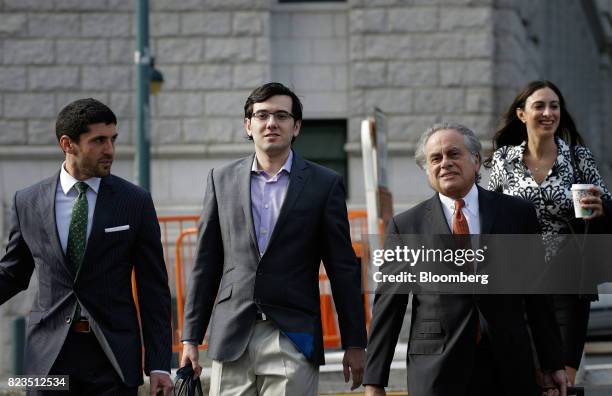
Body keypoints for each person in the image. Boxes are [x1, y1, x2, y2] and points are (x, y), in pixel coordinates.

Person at [180, 82, 367, 396]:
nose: (271, 123)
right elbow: (205, 264)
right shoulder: (221, 179)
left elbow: (342, 269)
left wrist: (354, 342)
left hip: (293, 336)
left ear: (296, 127)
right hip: (232, 335)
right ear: (248, 125)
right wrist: (190, 338)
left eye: (281, 116)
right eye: (262, 115)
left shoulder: (324, 184)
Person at [363, 123, 567, 396]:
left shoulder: (517, 214)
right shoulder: (406, 226)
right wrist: (374, 381)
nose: (445, 163)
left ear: (476, 161)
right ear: (428, 170)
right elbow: (389, 306)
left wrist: (552, 362)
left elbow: (538, 297)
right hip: (436, 369)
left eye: (453, 154)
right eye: (435, 158)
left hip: (509, 365)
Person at [0, 98, 173, 395]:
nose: (110, 150)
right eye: (99, 141)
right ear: (68, 144)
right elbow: (13, 273)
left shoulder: (134, 201)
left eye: (113, 139)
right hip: (47, 360)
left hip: (113, 358)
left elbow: (153, 289)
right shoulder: (27, 201)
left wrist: (159, 364)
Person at [486, 80, 612, 385]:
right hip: (519, 281)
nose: (548, 112)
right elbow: (489, 211)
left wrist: (602, 208)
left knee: (562, 381)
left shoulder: (579, 158)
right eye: (539, 106)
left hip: (569, 280)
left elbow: (606, 203)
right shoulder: (504, 160)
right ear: (521, 114)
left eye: (554, 106)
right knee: (528, 376)